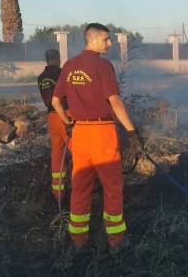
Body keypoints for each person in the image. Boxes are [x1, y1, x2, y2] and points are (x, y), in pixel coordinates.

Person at [52, 23, 143, 256]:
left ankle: (79, 241)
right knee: (112, 188)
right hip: (102, 132)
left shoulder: (69, 65)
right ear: (91, 40)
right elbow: (114, 101)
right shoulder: (102, 65)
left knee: (80, 187)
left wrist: (68, 124)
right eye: (106, 39)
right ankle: (116, 242)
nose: (110, 43)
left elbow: (55, 102)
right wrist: (132, 133)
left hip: (80, 133)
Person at [37, 49, 72, 201]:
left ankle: (57, 193)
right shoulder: (62, 73)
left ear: (46, 60)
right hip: (66, 115)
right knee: (77, 152)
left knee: (57, 154)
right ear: (58, 58)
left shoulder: (41, 77)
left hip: (51, 117)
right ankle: (80, 189)